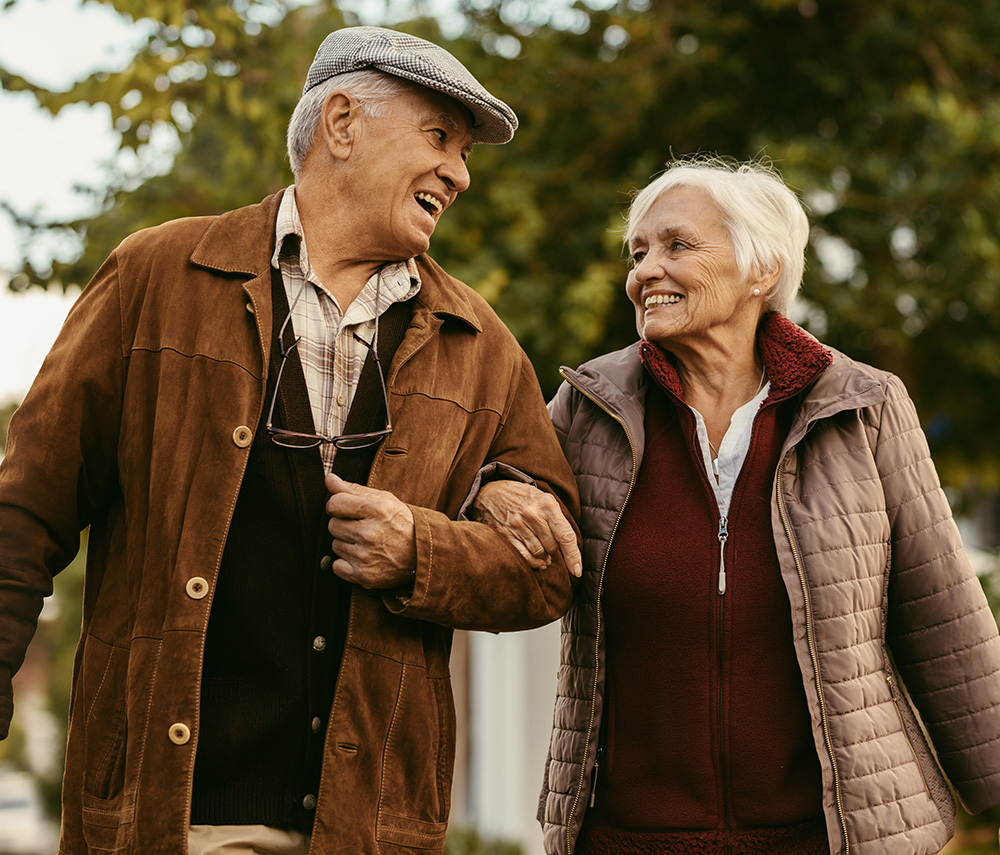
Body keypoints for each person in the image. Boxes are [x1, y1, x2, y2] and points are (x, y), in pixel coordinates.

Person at [0, 26, 581, 855]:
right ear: (341, 123)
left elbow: (551, 569)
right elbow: (24, 513)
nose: (459, 172)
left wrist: (424, 551)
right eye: (439, 137)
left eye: (463, 153)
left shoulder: (480, 345)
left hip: (366, 833)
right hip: (172, 823)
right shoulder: (155, 277)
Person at [473, 157, 1000, 855]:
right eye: (638, 252)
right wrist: (490, 488)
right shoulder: (590, 406)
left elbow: (942, 617)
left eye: (677, 245)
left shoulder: (864, 407)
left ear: (762, 271)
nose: (644, 271)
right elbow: (497, 496)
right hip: (631, 836)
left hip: (828, 836)